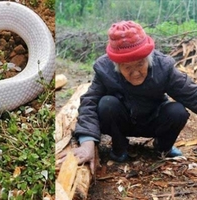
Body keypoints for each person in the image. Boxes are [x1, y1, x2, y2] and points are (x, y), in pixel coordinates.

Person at [58, 20, 197, 175]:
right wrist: (87, 141)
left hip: (154, 119)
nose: (136, 72)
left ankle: (163, 147)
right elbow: (89, 103)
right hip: (122, 121)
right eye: (128, 67)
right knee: (107, 104)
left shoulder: (163, 67)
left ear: (149, 58)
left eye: (140, 65)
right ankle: (119, 147)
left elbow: (192, 94)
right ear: (116, 65)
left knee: (177, 111)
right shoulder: (104, 69)